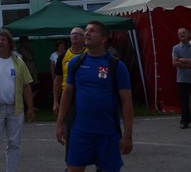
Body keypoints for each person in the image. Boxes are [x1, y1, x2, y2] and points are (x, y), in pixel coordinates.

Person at [56, 21, 134, 172]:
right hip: (80, 131)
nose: (87, 33)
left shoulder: (116, 66)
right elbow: (67, 94)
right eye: (86, 30)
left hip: (107, 132)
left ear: (103, 38)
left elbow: (126, 101)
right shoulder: (76, 63)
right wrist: (60, 123)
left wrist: (127, 134)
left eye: (92, 31)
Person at [0, 29, 35, 172]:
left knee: (14, 144)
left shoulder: (19, 62)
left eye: (3, 40)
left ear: (10, 43)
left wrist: (30, 108)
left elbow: (27, 86)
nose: (0, 42)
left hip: (16, 109)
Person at [53, 27, 87, 117]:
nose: (75, 35)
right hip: (68, 96)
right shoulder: (62, 57)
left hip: (85, 94)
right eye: (72, 34)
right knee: (68, 122)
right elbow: (57, 81)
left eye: (78, 34)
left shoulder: (89, 54)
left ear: (84, 38)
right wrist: (56, 101)